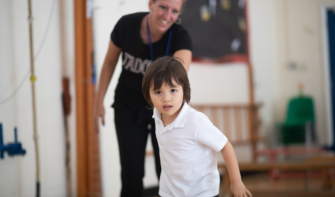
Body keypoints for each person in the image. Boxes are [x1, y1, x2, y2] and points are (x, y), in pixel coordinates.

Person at [93, 0, 192, 196]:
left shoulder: (181, 37)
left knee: (166, 172)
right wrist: (98, 101)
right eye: (163, 7)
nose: (167, 16)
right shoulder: (126, 25)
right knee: (131, 175)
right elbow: (110, 61)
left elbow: (179, 74)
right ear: (151, 4)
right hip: (127, 107)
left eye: (174, 11)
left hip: (163, 112)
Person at [142, 56, 252, 197]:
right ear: (149, 95)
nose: (166, 98)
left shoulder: (195, 121)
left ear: (184, 90)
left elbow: (225, 146)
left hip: (202, 192)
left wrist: (236, 182)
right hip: (170, 191)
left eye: (173, 90)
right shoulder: (157, 115)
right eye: (158, 92)